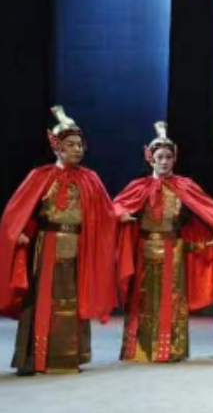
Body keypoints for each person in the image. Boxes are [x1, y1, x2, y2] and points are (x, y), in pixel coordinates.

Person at [0, 106, 117, 375]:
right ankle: (36, 358)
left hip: (78, 246)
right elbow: (15, 212)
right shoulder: (40, 176)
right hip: (47, 245)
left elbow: (106, 212)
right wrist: (18, 231)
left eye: (80, 144)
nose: (77, 149)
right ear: (57, 147)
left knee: (72, 299)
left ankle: (69, 358)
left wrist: (119, 217)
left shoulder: (90, 179)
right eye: (71, 144)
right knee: (43, 299)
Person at [115, 121, 213, 363]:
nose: (164, 161)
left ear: (174, 159)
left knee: (172, 298)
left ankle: (171, 350)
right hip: (143, 249)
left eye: (168, 157)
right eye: (159, 157)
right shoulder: (139, 186)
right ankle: (139, 350)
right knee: (142, 298)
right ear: (150, 159)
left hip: (173, 249)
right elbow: (115, 206)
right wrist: (120, 215)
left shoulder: (184, 186)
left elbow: (208, 208)